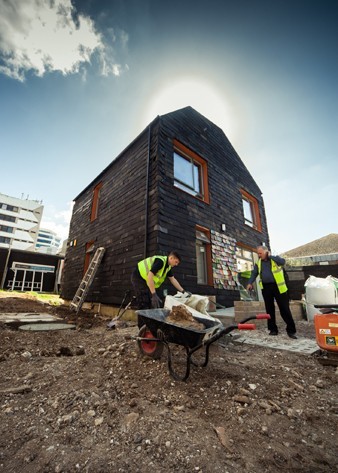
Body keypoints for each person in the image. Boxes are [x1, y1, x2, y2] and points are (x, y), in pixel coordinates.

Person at [246, 245, 297, 339]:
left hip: (279, 287)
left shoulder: (275, 259)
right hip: (266, 288)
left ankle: (291, 330)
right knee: (269, 310)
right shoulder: (259, 263)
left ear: (266, 252)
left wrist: (270, 256)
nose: (259, 255)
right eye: (258, 253)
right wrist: (250, 282)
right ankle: (273, 329)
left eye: (260, 253)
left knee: (284, 309)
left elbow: (283, 262)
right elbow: (254, 273)